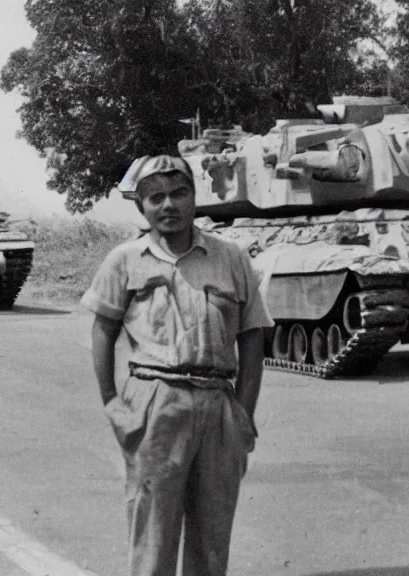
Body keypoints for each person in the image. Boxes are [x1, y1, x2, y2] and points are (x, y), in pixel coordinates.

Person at [82, 154, 273, 576]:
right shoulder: (125, 259)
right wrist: (113, 404)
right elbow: (103, 330)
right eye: (157, 198)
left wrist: (244, 412)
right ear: (142, 207)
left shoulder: (230, 258)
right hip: (154, 400)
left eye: (179, 193)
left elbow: (253, 334)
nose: (169, 205)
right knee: (153, 533)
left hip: (218, 404)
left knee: (212, 538)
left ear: (194, 198)